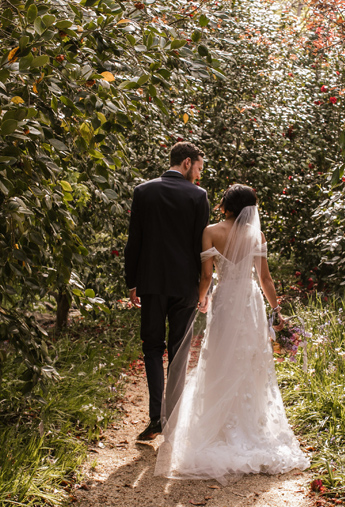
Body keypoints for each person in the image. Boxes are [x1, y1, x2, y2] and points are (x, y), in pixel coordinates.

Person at [155, 184, 309, 484]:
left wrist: (202, 298)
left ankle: (220, 427)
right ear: (250, 209)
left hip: (225, 300)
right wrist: (276, 311)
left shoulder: (211, 232)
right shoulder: (257, 236)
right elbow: (265, 278)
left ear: (226, 205)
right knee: (251, 359)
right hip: (249, 301)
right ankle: (252, 426)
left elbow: (207, 276)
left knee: (220, 357)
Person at [124, 142, 210, 441]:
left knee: (151, 347)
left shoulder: (143, 191)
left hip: (151, 282)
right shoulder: (198, 196)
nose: (199, 176)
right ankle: (174, 419)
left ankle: (155, 418)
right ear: (187, 162)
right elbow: (202, 246)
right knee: (178, 351)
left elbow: (134, 240)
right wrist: (204, 288)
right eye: (198, 168)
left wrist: (132, 282)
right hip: (185, 284)